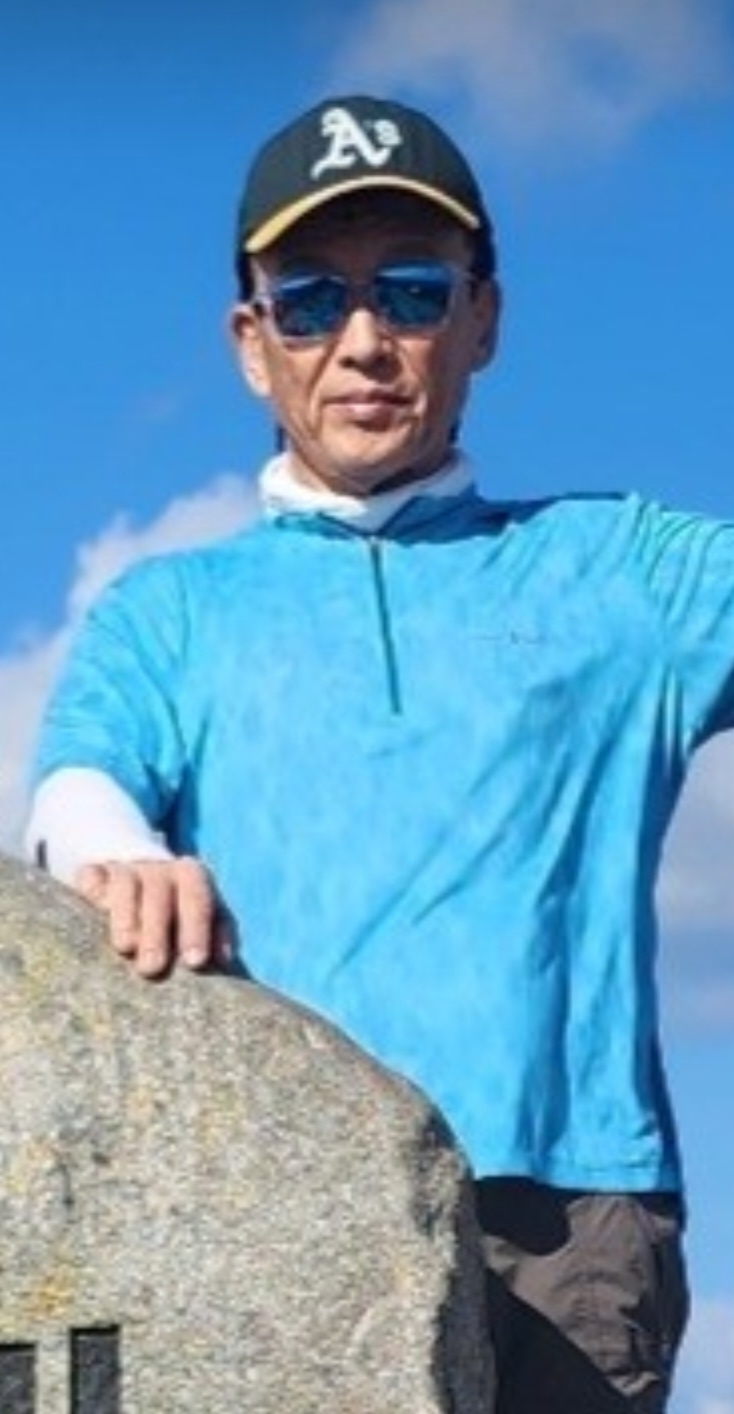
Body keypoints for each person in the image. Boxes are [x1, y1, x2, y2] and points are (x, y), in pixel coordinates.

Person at [25, 91, 733, 1412]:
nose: (363, 342)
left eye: (411, 291)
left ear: (483, 320)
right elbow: (79, 784)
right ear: (252, 344)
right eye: (310, 300)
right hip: (269, 1181)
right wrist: (120, 856)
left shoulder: (626, 568)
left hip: (568, 1220)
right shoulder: (167, 609)